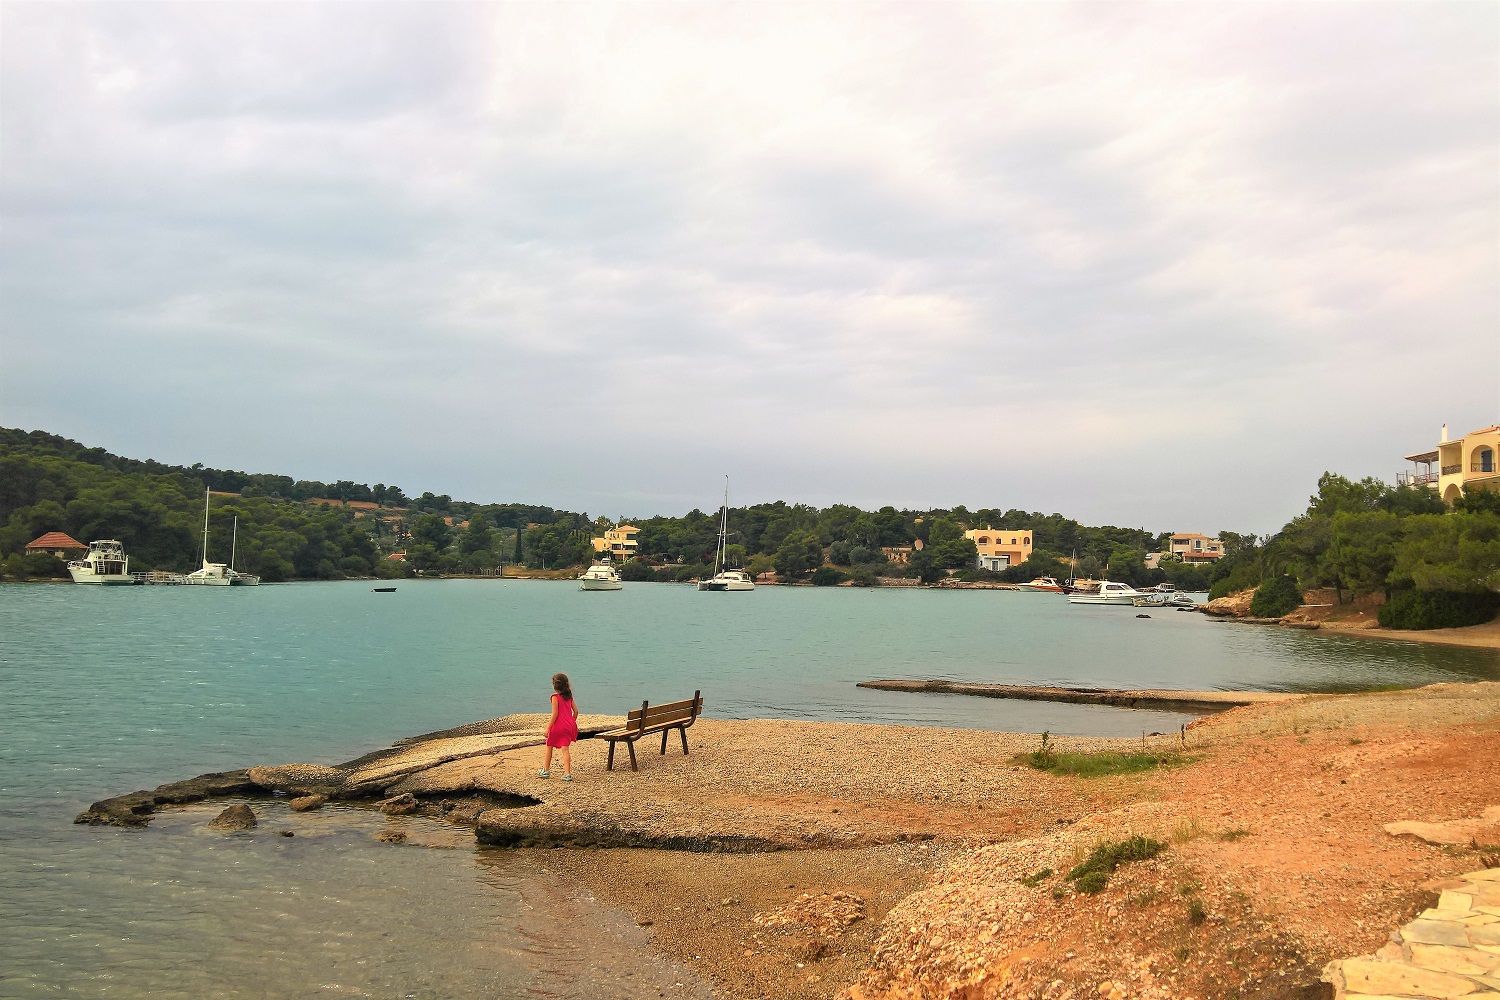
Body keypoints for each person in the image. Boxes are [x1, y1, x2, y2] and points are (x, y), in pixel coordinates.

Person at [538, 672, 579, 781]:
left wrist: (548, 728)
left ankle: (546, 770)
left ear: (554, 685)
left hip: (558, 726)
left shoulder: (555, 697)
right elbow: (576, 711)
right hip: (569, 725)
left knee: (549, 746)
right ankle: (567, 773)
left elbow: (555, 714)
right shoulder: (569, 697)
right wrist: (571, 721)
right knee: (565, 749)